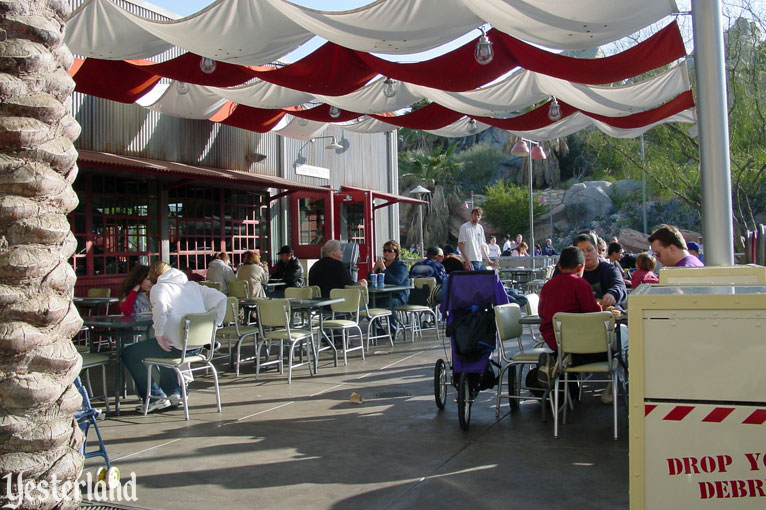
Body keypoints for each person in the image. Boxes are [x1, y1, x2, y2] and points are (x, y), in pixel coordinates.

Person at [122, 261, 226, 413]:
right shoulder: (193, 286)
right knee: (163, 350)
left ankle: (155, 397)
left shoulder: (160, 288)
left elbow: (161, 309)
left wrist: (159, 334)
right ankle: (174, 392)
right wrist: (214, 327)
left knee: (129, 353)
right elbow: (222, 298)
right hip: (197, 347)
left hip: (177, 347)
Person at [537, 247, 609, 400]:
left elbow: (541, 313)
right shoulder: (580, 284)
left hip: (554, 341)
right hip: (579, 343)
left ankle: (560, 359)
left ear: (560, 266)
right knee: (613, 350)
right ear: (580, 267)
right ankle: (569, 360)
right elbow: (595, 314)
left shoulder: (547, 286)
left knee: (566, 350)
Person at [558, 232, 627, 309]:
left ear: (597, 249)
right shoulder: (568, 271)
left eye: (589, 250)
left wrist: (612, 294)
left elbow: (619, 285)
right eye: (581, 251)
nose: (586, 254)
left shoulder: (610, 270)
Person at [372, 240, 410, 334]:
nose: (386, 253)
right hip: (382, 294)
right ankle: (378, 329)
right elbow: (371, 279)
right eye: (384, 251)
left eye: (389, 251)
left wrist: (384, 270)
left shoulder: (401, 266)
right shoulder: (382, 264)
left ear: (396, 252)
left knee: (389, 304)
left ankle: (394, 329)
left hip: (398, 295)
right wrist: (374, 269)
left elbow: (397, 281)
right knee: (368, 304)